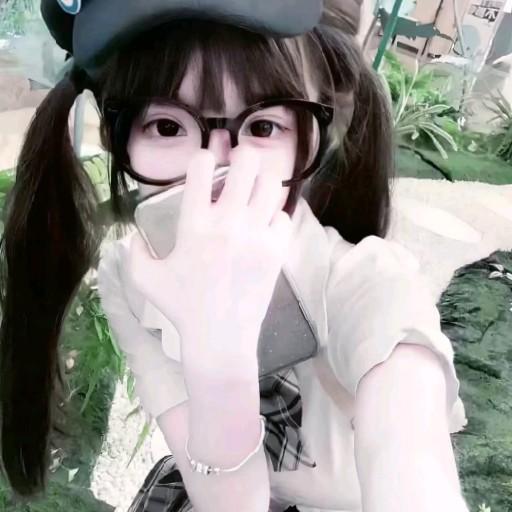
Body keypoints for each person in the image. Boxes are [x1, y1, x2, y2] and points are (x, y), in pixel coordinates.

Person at [0, 1, 470, 511]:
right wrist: (218, 367)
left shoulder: (370, 285)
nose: (215, 167)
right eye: (167, 126)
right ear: (118, 138)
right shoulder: (131, 278)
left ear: (314, 134)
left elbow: (410, 457)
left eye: (263, 127)